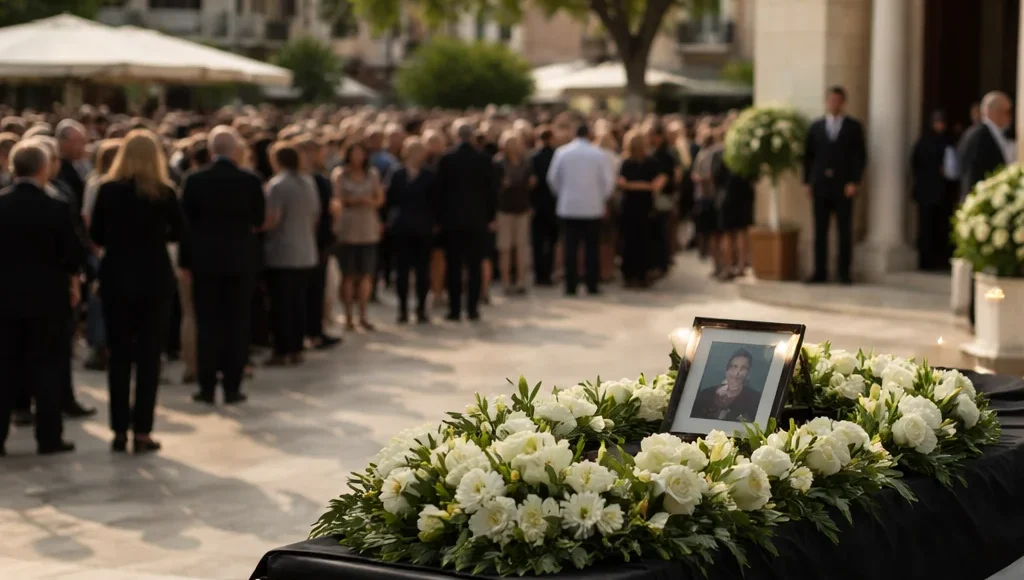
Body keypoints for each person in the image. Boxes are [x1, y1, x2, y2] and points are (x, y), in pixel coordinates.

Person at [89, 129, 183, 454]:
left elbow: (96, 234)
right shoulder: (164, 192)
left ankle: (118, 430)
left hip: (117, 277)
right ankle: (142, 431)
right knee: (148, 357)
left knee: (119, 356)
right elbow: (179, 232)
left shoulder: (108, 190)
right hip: (154, 277)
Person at [0, 141, 87, 456]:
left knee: (4, 367)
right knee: (47, 367)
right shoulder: (56, 206)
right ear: (42, 168)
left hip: (5, 299)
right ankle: (49, 437)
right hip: (47, 299)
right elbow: (74, 255)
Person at [180, 126, 265, 405]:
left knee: (207, 325)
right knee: (237, 325)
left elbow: (185, 225)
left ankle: (206, 387)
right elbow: (259, 219)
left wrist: (185, 262)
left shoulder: (194, 180)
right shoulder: (250, 180)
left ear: (211, 150)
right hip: (240, 261)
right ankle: (232, 386)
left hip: (205, 263)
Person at [958, 91, 1014, 330]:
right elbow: (972, 177)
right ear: (993, 111)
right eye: (1007, 112)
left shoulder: (991, 135)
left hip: (987, 212)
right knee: (979, 267)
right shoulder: (979, 136)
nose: (1009, 117)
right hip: (983, 213)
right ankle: (977, 316)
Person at [803, 86, 867, 285]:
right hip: (820, 185)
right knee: (820, 230)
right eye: (831, 100)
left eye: (837, 100)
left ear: (843, 103)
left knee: (844, 231)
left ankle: (844, 273)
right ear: (826, 102)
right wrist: (807, 182)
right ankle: (819, 272)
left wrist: (854, 181)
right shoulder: (816, 126)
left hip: (844, 187)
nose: (834, 104)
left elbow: (860, 156)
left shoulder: (853, 127)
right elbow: (807, 157)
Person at [264, 143, 320, 365]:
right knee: (298, 303)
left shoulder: (278, 185)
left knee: (281, 304)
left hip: (282, 252)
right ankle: (296, 348)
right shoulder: (308, 182)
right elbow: (315, 215)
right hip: (305, 250)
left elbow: (273, 219)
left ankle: (282, 349)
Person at [435, 123, 497, 321]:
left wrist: (440, 219)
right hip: (477, 220)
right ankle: (472, 308)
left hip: (452, 222)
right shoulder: (484, 159)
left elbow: (440, 192)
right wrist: (490, 217)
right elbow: (492, 192)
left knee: (454, 266)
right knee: (474, 266)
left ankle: (454, 309)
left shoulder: (447, 159)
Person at [546, 124, 615, 296]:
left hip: (569, 207)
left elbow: (553, 179)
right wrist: (600, 198)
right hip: (592, 208)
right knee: (591, 247)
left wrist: (563, 194)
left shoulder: (562, 153)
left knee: (570, 248)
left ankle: (570, 286)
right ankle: (592, 284)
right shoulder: (598, 154)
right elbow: (608, 182)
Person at [332, 140, 385, 331]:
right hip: (348, 229)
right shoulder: (340, 174)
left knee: (366, 274)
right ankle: (348, 316)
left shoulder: (372, 174)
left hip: (367, 228)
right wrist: (354, 200)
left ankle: (363, 315)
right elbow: (337, 198)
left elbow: (379, 198)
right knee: (348, 275)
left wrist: (369, 201)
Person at [296, 137, 341, 350]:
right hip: (312, 241)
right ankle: (311, 332)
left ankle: (313, 330)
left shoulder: (314, 178)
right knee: (311, 289)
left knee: (315, 289)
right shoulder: (311, 179)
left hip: (314, 240)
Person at [386, 137, 436, 323]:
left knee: (423, 271)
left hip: (423, 229)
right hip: (402, 229)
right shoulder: (397, 174)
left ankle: (421, 309)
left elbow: (436, 202)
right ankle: (402, 309)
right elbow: (390, 199)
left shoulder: (429, 175)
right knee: (402, 271)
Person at [617, 131, 666, 288]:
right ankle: (638, 274)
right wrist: (646, 185)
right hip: (640, 206)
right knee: (638, 241)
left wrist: (632, 185)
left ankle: (634, 275)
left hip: (637, 207)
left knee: (635, 241)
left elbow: (657, 184)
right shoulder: (630, 162)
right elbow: (622, 183)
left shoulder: (646, 162)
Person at [911, 111, 958, 272]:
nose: (940, 126)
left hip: (941, 194)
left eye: (942, 122)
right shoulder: (925, 142)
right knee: (926, 227)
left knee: (941, 226)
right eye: (937, 122)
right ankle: (926, 261)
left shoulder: (946, 142)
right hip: (928, 192)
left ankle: (939, 260)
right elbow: (916, 164)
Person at [494, 131, 534, 295]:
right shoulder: (498, 163)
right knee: (505, 247)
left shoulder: (525, 162)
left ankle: (520, 281)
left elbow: (530, 184)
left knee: (521, 246)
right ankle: (505, 281)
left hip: (521, 208)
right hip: (504, 210)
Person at [691, 348, 761, 422]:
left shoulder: (755, 399)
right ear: (727, 370)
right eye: (734, 366)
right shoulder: (705, 394)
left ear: (748, 374)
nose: (737, 372)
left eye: (743, 368)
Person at [529, 128, 558, 287]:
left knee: (538, 242)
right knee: (551, 242)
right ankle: (548, 273)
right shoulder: (557, 155)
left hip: (537, 205)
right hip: (553, 204)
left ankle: (539, 274)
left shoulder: (533, 157)